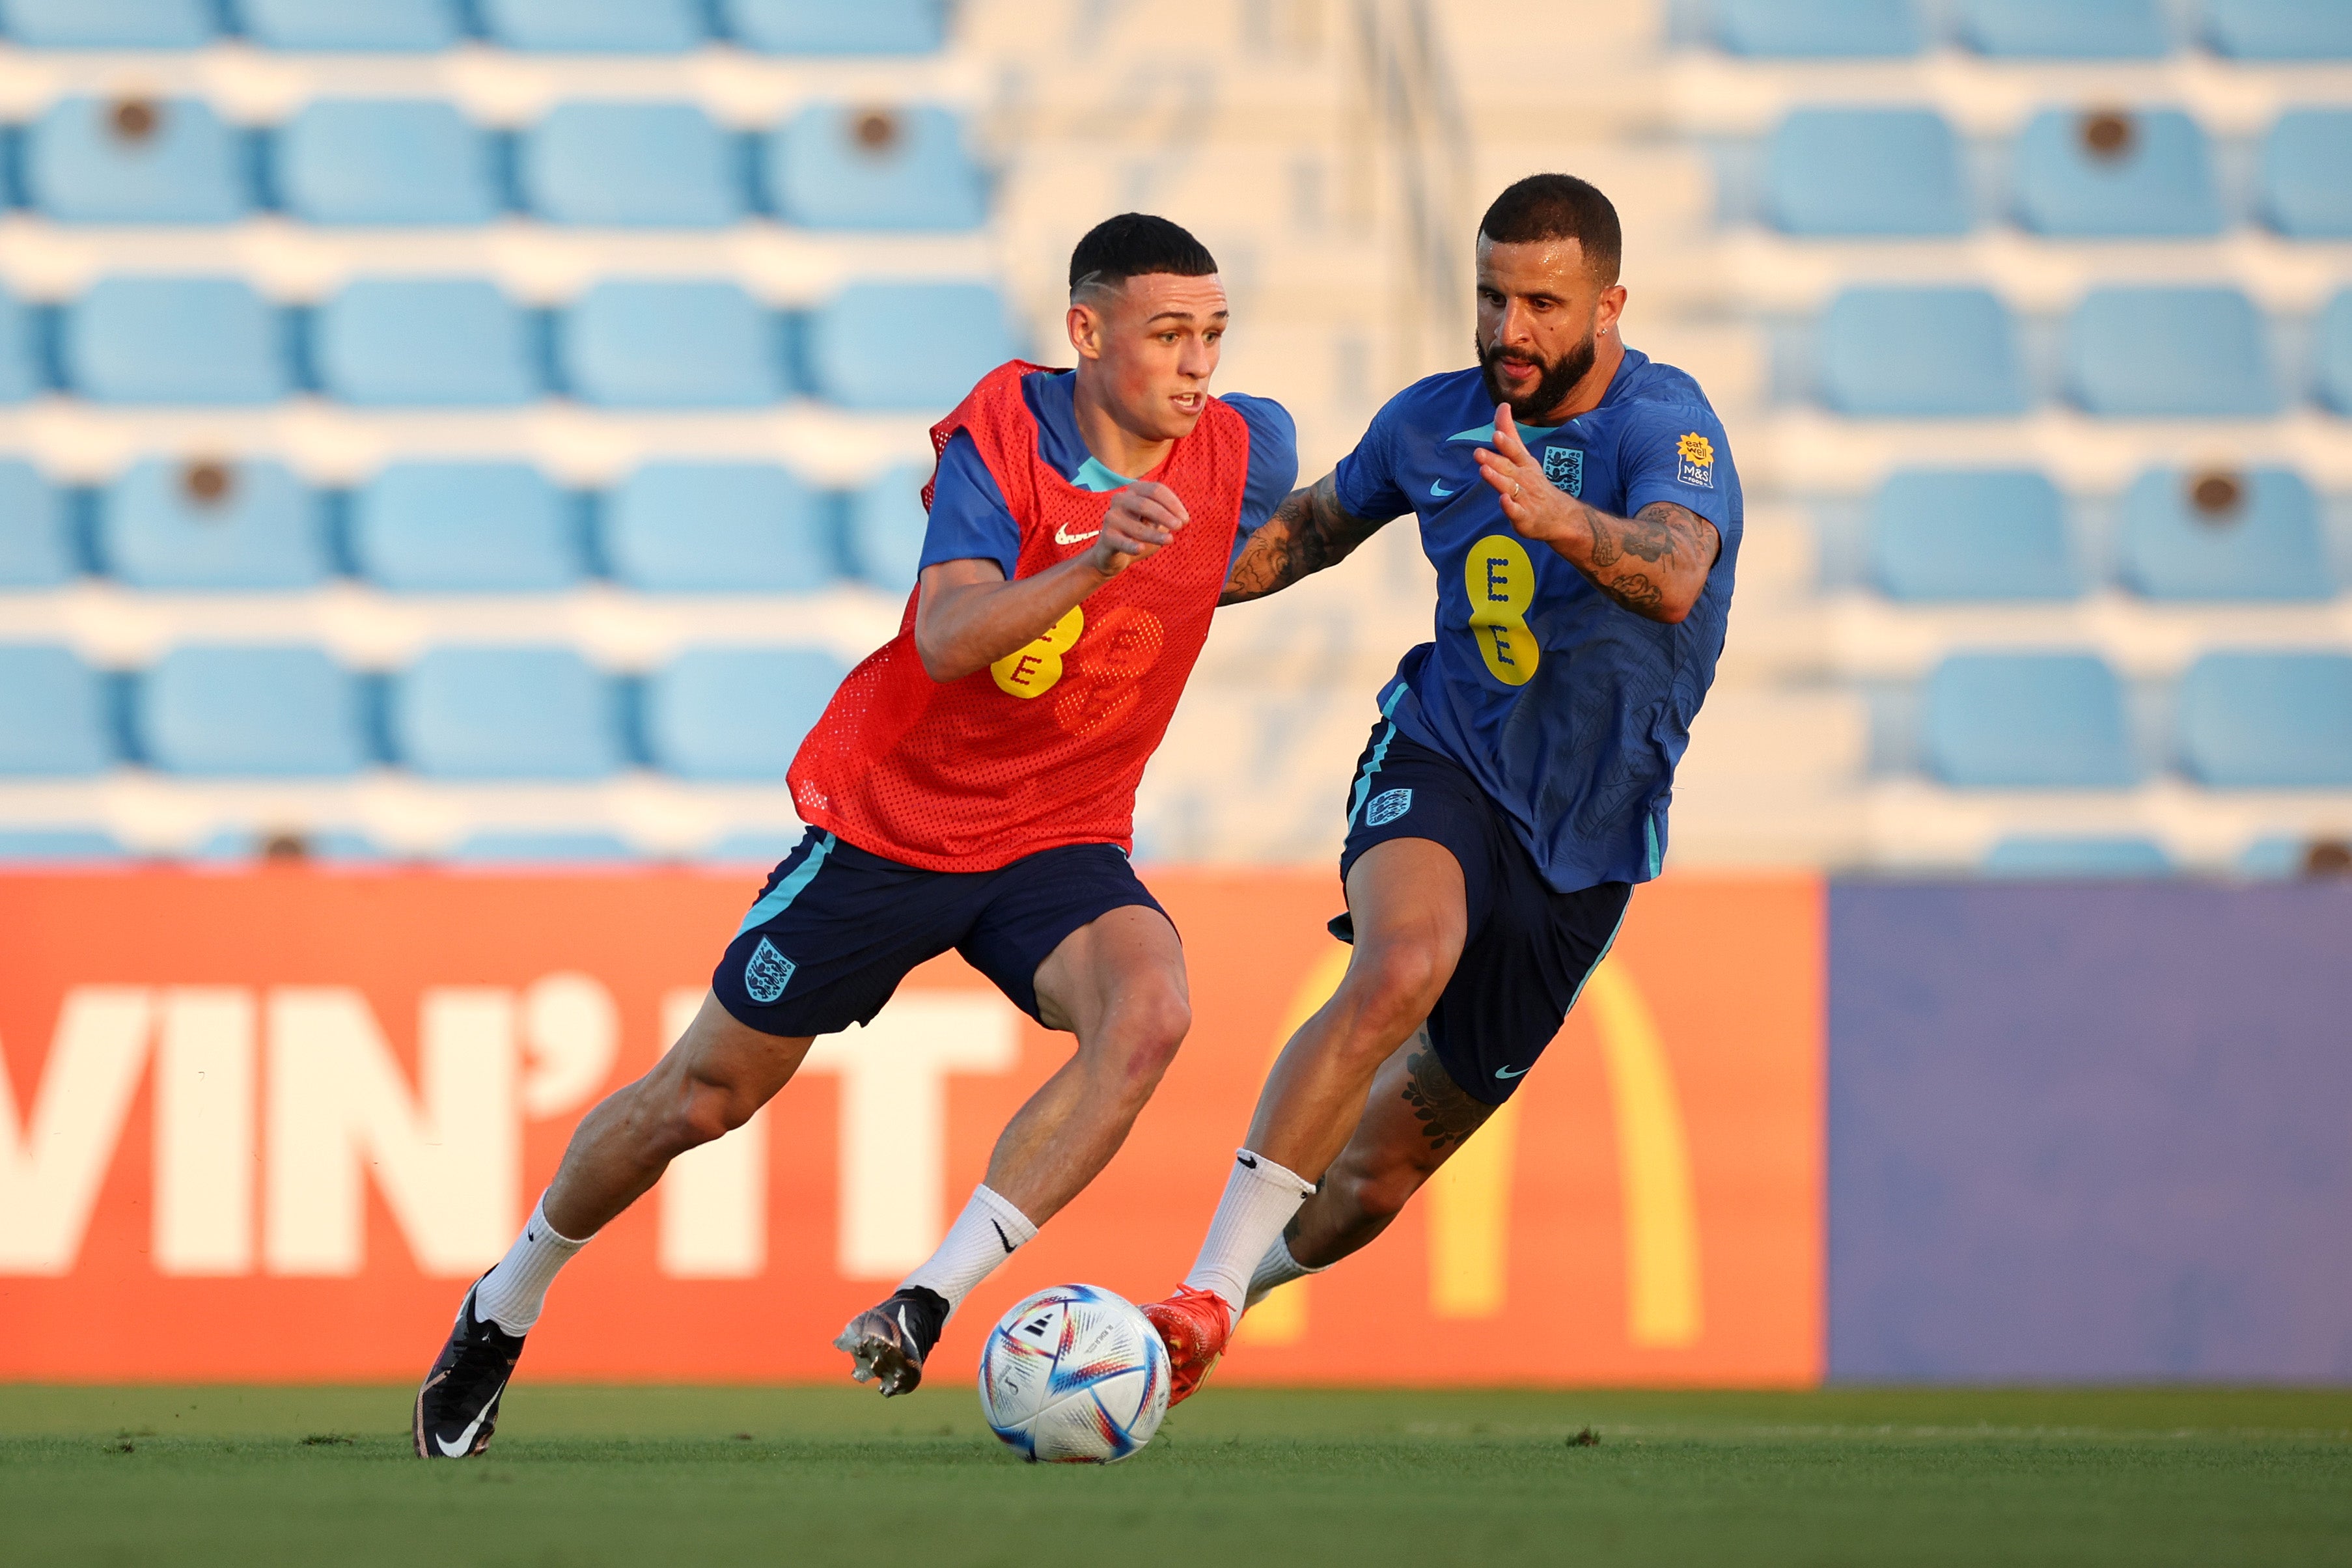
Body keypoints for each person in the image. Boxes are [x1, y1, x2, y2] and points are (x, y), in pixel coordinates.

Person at [414, 213, 1297, 1457]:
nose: (1198, 363)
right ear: (1086, 333)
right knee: (696, 1098)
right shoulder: (1006, 430)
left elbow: (1242, 556)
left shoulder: (1248, 446)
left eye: (1211, 333)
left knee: (1151, 1010)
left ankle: (927, 1297)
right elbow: (947, 636)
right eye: (1167, 334)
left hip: (1058, 837)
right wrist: (1099, 561)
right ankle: (504, 1304)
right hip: (897, 828)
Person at [1138, 173, 1741, 1403]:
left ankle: (1221, 1304)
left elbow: (1676, 573)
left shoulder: (1664, 425)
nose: (1508, 329)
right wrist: (1140, 577)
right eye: (1489, 295)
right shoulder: (1432, 420)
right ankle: (1196, 1285)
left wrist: (1562, 519)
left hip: (1586, 837)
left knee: (1375, 1182)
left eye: (1540, 303)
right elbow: (1303, 531)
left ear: (1609, 302)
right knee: (1402, 958)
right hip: (1448, 753)